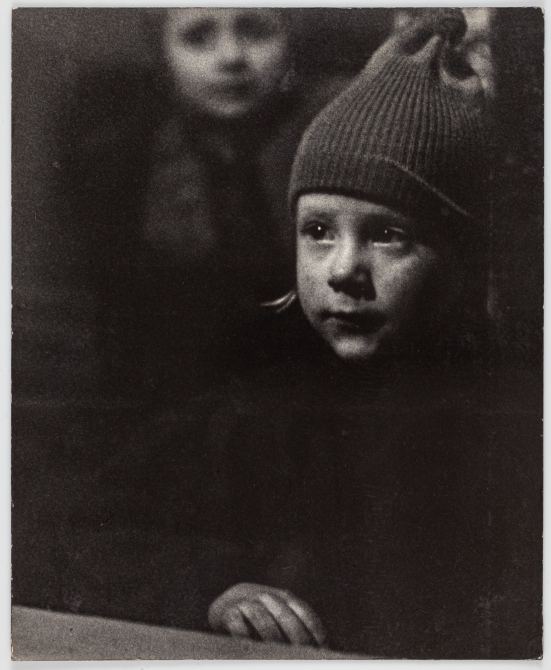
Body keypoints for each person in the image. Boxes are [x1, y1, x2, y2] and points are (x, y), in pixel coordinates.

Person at [42, 9, 540, 659]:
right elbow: (93, 529)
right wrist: (214, 592)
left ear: (461, 263)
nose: (343, 270)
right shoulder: (254, 403)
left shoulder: (506, 427)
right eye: (318, 232)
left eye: (389, 235)